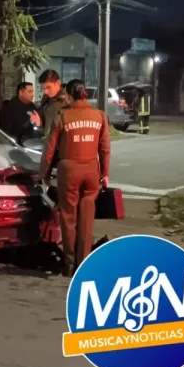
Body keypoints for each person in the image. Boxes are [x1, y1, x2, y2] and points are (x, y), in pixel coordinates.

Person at [40, 78, 111, 274]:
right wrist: (105, 174)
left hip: (68, 170)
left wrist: (44, 174)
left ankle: (69, 264)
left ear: (70, 95)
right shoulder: (99, 116)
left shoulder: (63, 116)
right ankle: (84, 264)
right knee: (87, 219)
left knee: (68, 218)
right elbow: (105, 149)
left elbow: (50, 148)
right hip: (91, 170)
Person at [37, 69, 71, 138]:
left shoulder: (68, 100)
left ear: (58, 83)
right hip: (48, 141)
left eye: (48, 87)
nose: (46, 91)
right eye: (43, 89)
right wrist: (39, 121)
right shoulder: (46, 99)